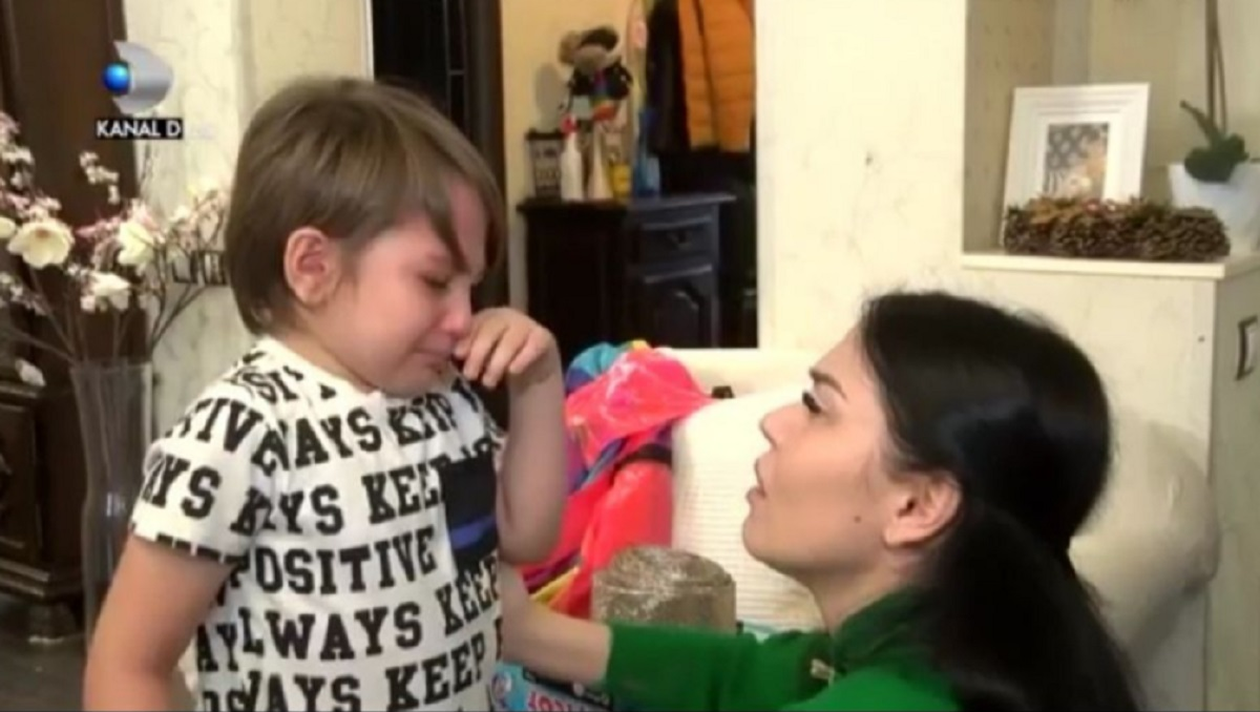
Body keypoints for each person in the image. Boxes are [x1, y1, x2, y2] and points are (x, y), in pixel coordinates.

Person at [83, 77, 568, 711]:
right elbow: (128, 665)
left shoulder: (446, 402)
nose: (462, 317)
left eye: (470, 287)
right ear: (313, 268)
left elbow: (526, 538)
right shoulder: (238, 433)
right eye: (435, 281)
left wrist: (539, 381)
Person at [500, 291, 1142, 711]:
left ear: (917, 507)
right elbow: (746, 673)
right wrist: (526, 630)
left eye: (816, 407)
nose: (774, 422)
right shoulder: (940, 651)